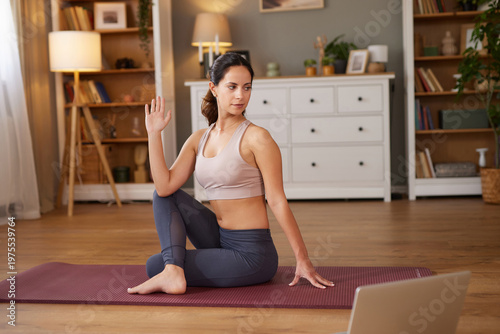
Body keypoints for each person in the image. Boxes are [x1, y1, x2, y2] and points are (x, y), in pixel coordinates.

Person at [127, 53, 334, 295]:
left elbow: (277, 200)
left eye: (247, 88)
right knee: (162, 204)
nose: (240, 95)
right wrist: (153, 134)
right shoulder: (198, 139)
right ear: (213, 88)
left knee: (155, 265)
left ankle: (173, 271)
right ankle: (173, 271)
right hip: (218, 238)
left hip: (252, 254)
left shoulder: (258, 138)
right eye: (232, 87)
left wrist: (303, 258)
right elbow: (164, 187)